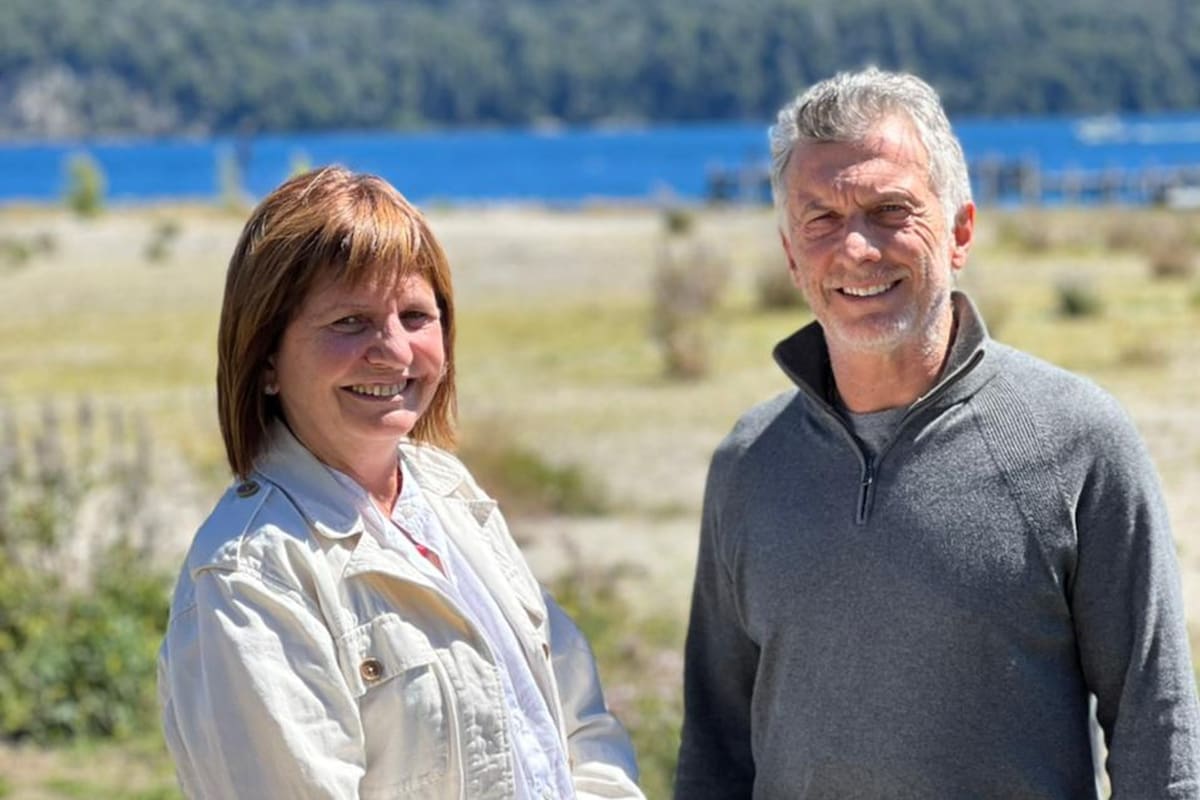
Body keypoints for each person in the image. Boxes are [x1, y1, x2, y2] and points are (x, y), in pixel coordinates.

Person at [673, 67, 1200, 798]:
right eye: (820, 218)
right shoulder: (748, 463)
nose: (856, 248)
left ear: (958, 232)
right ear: (792, 256)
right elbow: (715, 747)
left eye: (890, 209)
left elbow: (1157, 730)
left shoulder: (1081, 442)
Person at [158, 166, 645, 799]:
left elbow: (578, 723)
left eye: (416, 315)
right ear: (266, 358)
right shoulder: (251, 578)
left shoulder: (447, 495)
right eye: (349, 322)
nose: (393, 350)